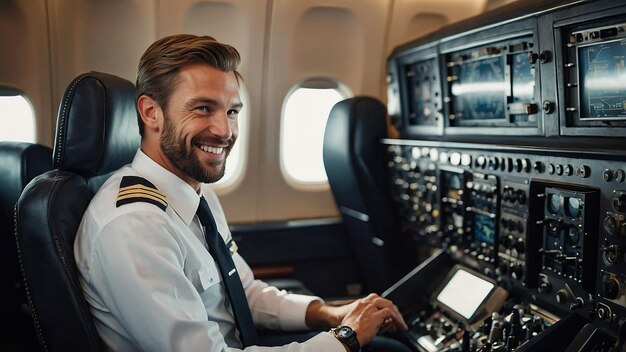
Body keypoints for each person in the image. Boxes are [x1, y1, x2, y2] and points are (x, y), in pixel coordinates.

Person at [74, 34, 410, 352]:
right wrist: (345, 339)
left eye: (232, 111)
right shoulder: (133, 225)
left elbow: (244, 292)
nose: (225, 131)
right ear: (151, 112)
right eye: (203, 108)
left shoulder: (196, 193)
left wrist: (328, 313)